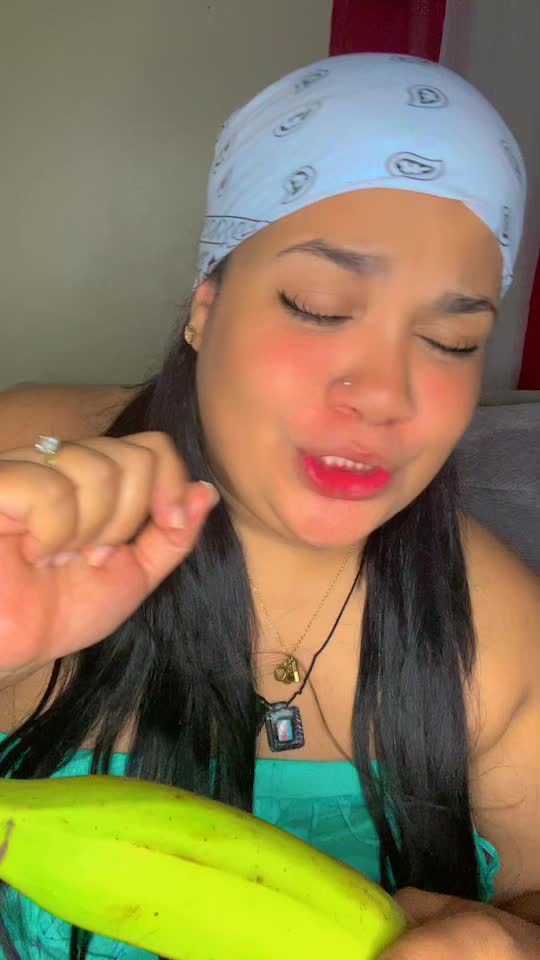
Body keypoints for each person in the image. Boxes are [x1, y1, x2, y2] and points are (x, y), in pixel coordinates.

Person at [0, 52, 539, 960]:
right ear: (204, 306)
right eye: (318, 306)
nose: (385, 393)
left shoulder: (501, 631)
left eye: (452, 340)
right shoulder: (23, 474)